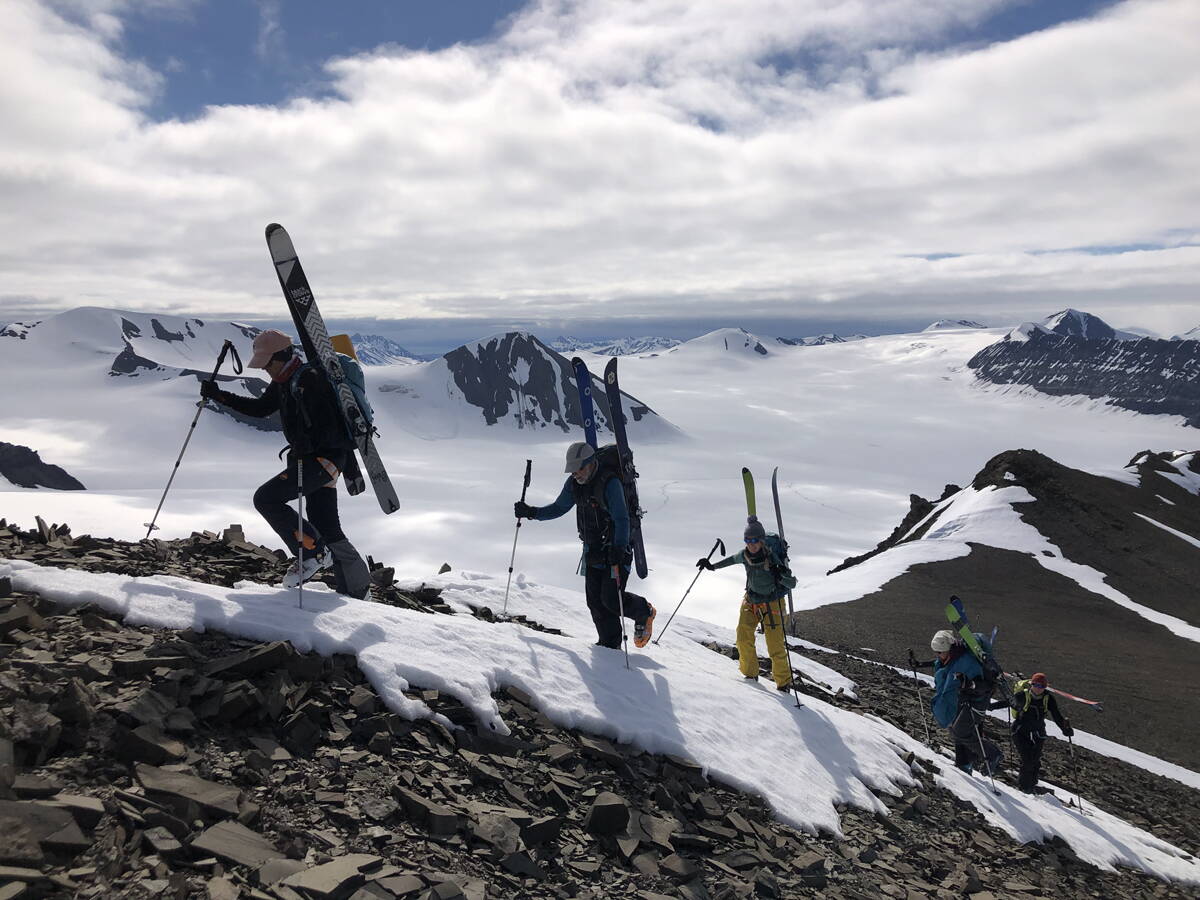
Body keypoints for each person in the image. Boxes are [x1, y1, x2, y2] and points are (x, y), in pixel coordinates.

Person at [200, 329, 371, 599]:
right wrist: (221, 396)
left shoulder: (310, 380)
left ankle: (311, 553)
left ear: (283, 355)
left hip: (321, 459)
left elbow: (331, 427)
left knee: (266, 499)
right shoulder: (285, 380)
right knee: (326, 525)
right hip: (320, 461)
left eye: (268, 363)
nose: (266, 369)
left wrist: (308, 442)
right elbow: (261, 409)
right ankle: (357, 589)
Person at [514, 442, 656, 649]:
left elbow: (621, 519)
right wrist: (532, 513)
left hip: (616, 548)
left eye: (579, 468)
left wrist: (618, 548)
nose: (575, 474)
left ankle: (643, 610)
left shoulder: (610, 483)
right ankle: (609, 646)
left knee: (611, 599)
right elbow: (559, 508)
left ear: (591, 463)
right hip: (593, 549)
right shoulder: (573, 484)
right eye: (572, 470)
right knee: (595, 602)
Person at [697, 517, 798, 690]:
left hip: (772, 604)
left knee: (775, 645)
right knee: (743, 637)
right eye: (747, 540)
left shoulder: (772, 558)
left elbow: (792, 583)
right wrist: (712, 566)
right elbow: (730, 560)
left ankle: (783, 683)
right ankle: (750, 674)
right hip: (751, 601)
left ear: (761, 541)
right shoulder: (744, 555)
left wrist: (780, 575)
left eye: (754, 541)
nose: (751, 544)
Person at [927, 629, 1003, 775]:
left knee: (960, 732)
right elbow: (939, 664)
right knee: (957, 729)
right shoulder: (952, 658)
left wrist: (969, 684)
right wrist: (919, 664)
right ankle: (965, 764)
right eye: (936, 652)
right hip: (964, 699)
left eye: (940, 652)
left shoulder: (966, 661)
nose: (938, 655)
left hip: (977, 702)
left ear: (948, 649)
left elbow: (984, 686)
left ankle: (993, 755)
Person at [1009, 672, 1073, 794]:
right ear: (1031, 684)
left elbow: (1057, 715)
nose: (1038, 689)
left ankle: (1031, 785)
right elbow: (1008, 703)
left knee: (1035, 759)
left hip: (1038, 732)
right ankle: (1024, 788)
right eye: (1036, 685)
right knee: (1027, 759)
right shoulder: (1022, 695)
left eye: (1041, 686)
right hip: (1020, 731)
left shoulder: (1048, 699)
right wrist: (989, 706)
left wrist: (1065, 730)